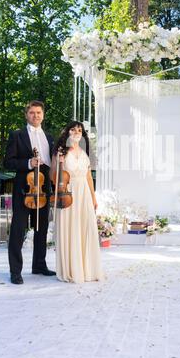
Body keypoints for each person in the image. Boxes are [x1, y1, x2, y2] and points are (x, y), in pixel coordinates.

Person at [4, 100, 56, 284]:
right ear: (27, 115)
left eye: (39, 112)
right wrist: (28, 163)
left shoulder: (49, 137)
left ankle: (39, 265)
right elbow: (8, 162)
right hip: (24, 188)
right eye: (32, 112)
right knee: (18, 229)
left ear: (43, 115)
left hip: (42, 188)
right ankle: (15, 271)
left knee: (41, 229)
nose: (36, 116)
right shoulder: (17, 135)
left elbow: (52, 163)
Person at [50, 121, 104, 283]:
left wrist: (93, 198)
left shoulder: (84, 151)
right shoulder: (60, 151)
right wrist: (58, 163)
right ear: (67, 132)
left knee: (85, 228)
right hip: (67, 193)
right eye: (73, 129)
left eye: (79, 130)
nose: (76, 132)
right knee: (70, 228)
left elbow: (88, 177)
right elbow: (53, 176)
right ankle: (71, 269)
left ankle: (86, 269)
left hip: (84, 194)